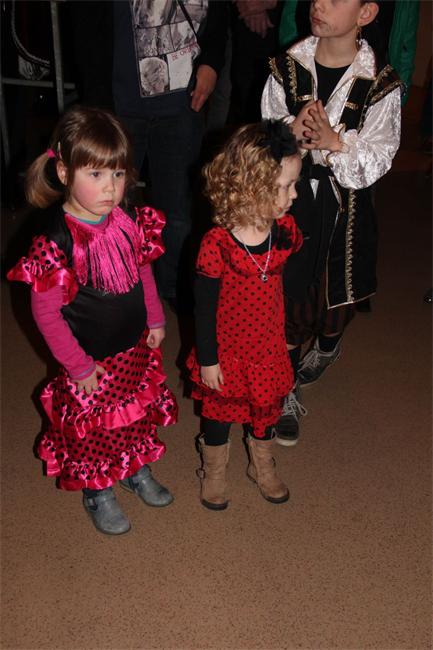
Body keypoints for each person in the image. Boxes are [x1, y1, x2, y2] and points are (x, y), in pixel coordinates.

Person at [7, 106, 178, 535]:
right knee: (95, 428)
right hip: (88, 362)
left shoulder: (128, 220)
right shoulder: (54, 240)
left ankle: (133, 466)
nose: (111, 187)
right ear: (64, 172)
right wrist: (78, 365)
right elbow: (45, 314)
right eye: (96, 174)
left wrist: (155, 316)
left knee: (133, 412)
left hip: (132, 349)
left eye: (118, 174)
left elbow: (142, 271)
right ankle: (97, 489)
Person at [261, 0, 403, 446]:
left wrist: (335, 143)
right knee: (287, 297)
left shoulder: (380, 83)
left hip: (346, 211)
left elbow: (380, 155)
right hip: (293, 202)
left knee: (334, 300)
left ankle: (328, 344)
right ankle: (285, 388)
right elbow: (265, 134)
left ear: (365, 14)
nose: (319, 4)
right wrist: (289, 133)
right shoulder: (286, 70)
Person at [69, 1, 228, 310]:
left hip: (183, 104)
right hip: (119, 106)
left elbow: (219, 14)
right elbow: (86, 28)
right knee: (108, 209)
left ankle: (173, 289)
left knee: (178, 211)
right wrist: (98, 106)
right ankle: (114, 288)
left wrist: (211, 62)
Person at [187, 120, 303, 510]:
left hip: (267, 347)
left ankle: (262, 464)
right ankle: (214, 470)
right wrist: (208, 359)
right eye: (285, 186)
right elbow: (203, 308)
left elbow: (294, 280)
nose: (294, 194)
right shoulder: (218, 243)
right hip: (227, 350)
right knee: (219, 415)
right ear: (251, 186)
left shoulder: (284, 231)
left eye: (294, 184)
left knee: (265, 411)